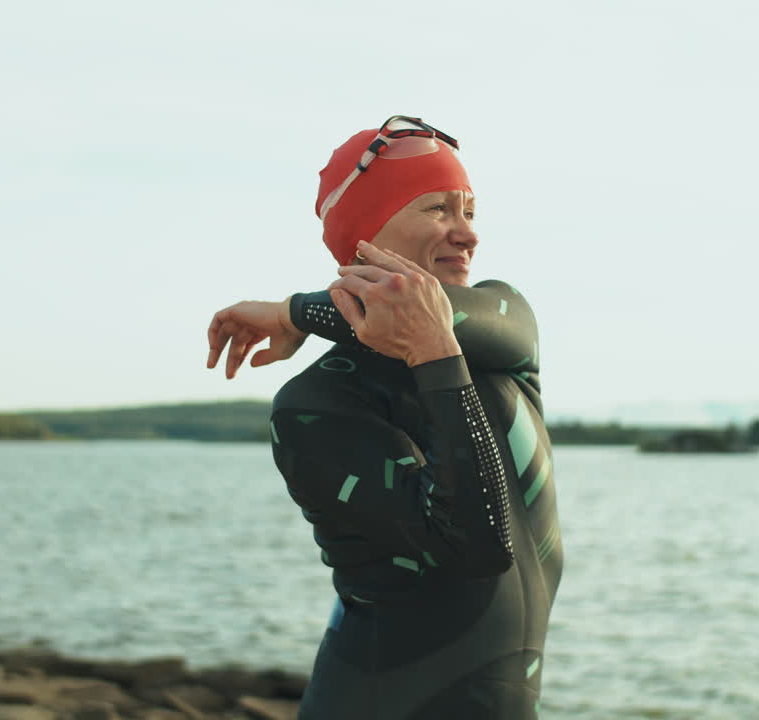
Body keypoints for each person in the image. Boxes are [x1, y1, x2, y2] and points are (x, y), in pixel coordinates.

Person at [206, 116, 562, 719]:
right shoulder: (318, 405)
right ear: (365, 234)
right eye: (437, 209)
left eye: (469, 211)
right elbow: (479, 551)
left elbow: (443, 315)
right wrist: (435, 358)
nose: (467, 234)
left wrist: (293, 312)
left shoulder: (504, 326)